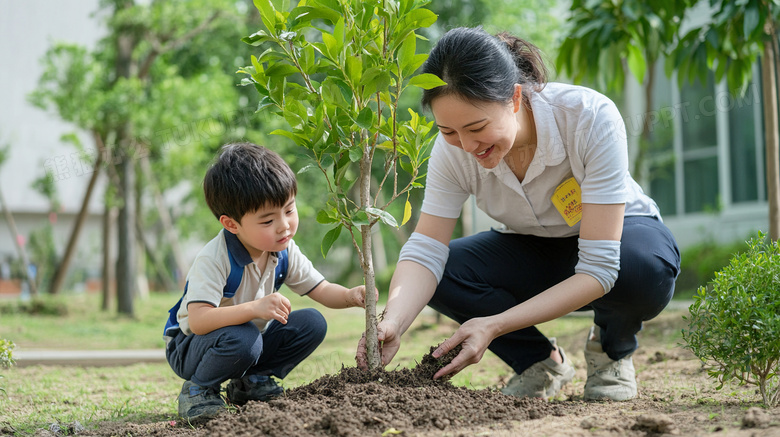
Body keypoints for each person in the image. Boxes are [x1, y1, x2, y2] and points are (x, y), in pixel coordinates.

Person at [357, 27, 680, 402]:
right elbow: (426, 248)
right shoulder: (453, 153)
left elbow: (600, 267)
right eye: (449, 131)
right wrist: (393, 321)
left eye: (477, 128)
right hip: (533, 247)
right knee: (444, 270)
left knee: (644, 268)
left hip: (619, 240)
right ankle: (540, 363)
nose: (467, 146)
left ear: (513, 98)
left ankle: (610, 351)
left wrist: (494, 325)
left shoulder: (589, 118)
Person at [165, 143, 370, 423]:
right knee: (244, 338)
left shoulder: (283, 250)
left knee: (312, 322)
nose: (284, 225)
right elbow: (199, 321)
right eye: (267, 220)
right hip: (193, 347)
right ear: (232, 224)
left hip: (246, 342)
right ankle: (199, 389)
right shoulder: (214, 258)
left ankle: (252, 382)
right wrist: (255, 308)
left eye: (289, 210)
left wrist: (350, 295)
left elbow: (320, 289)